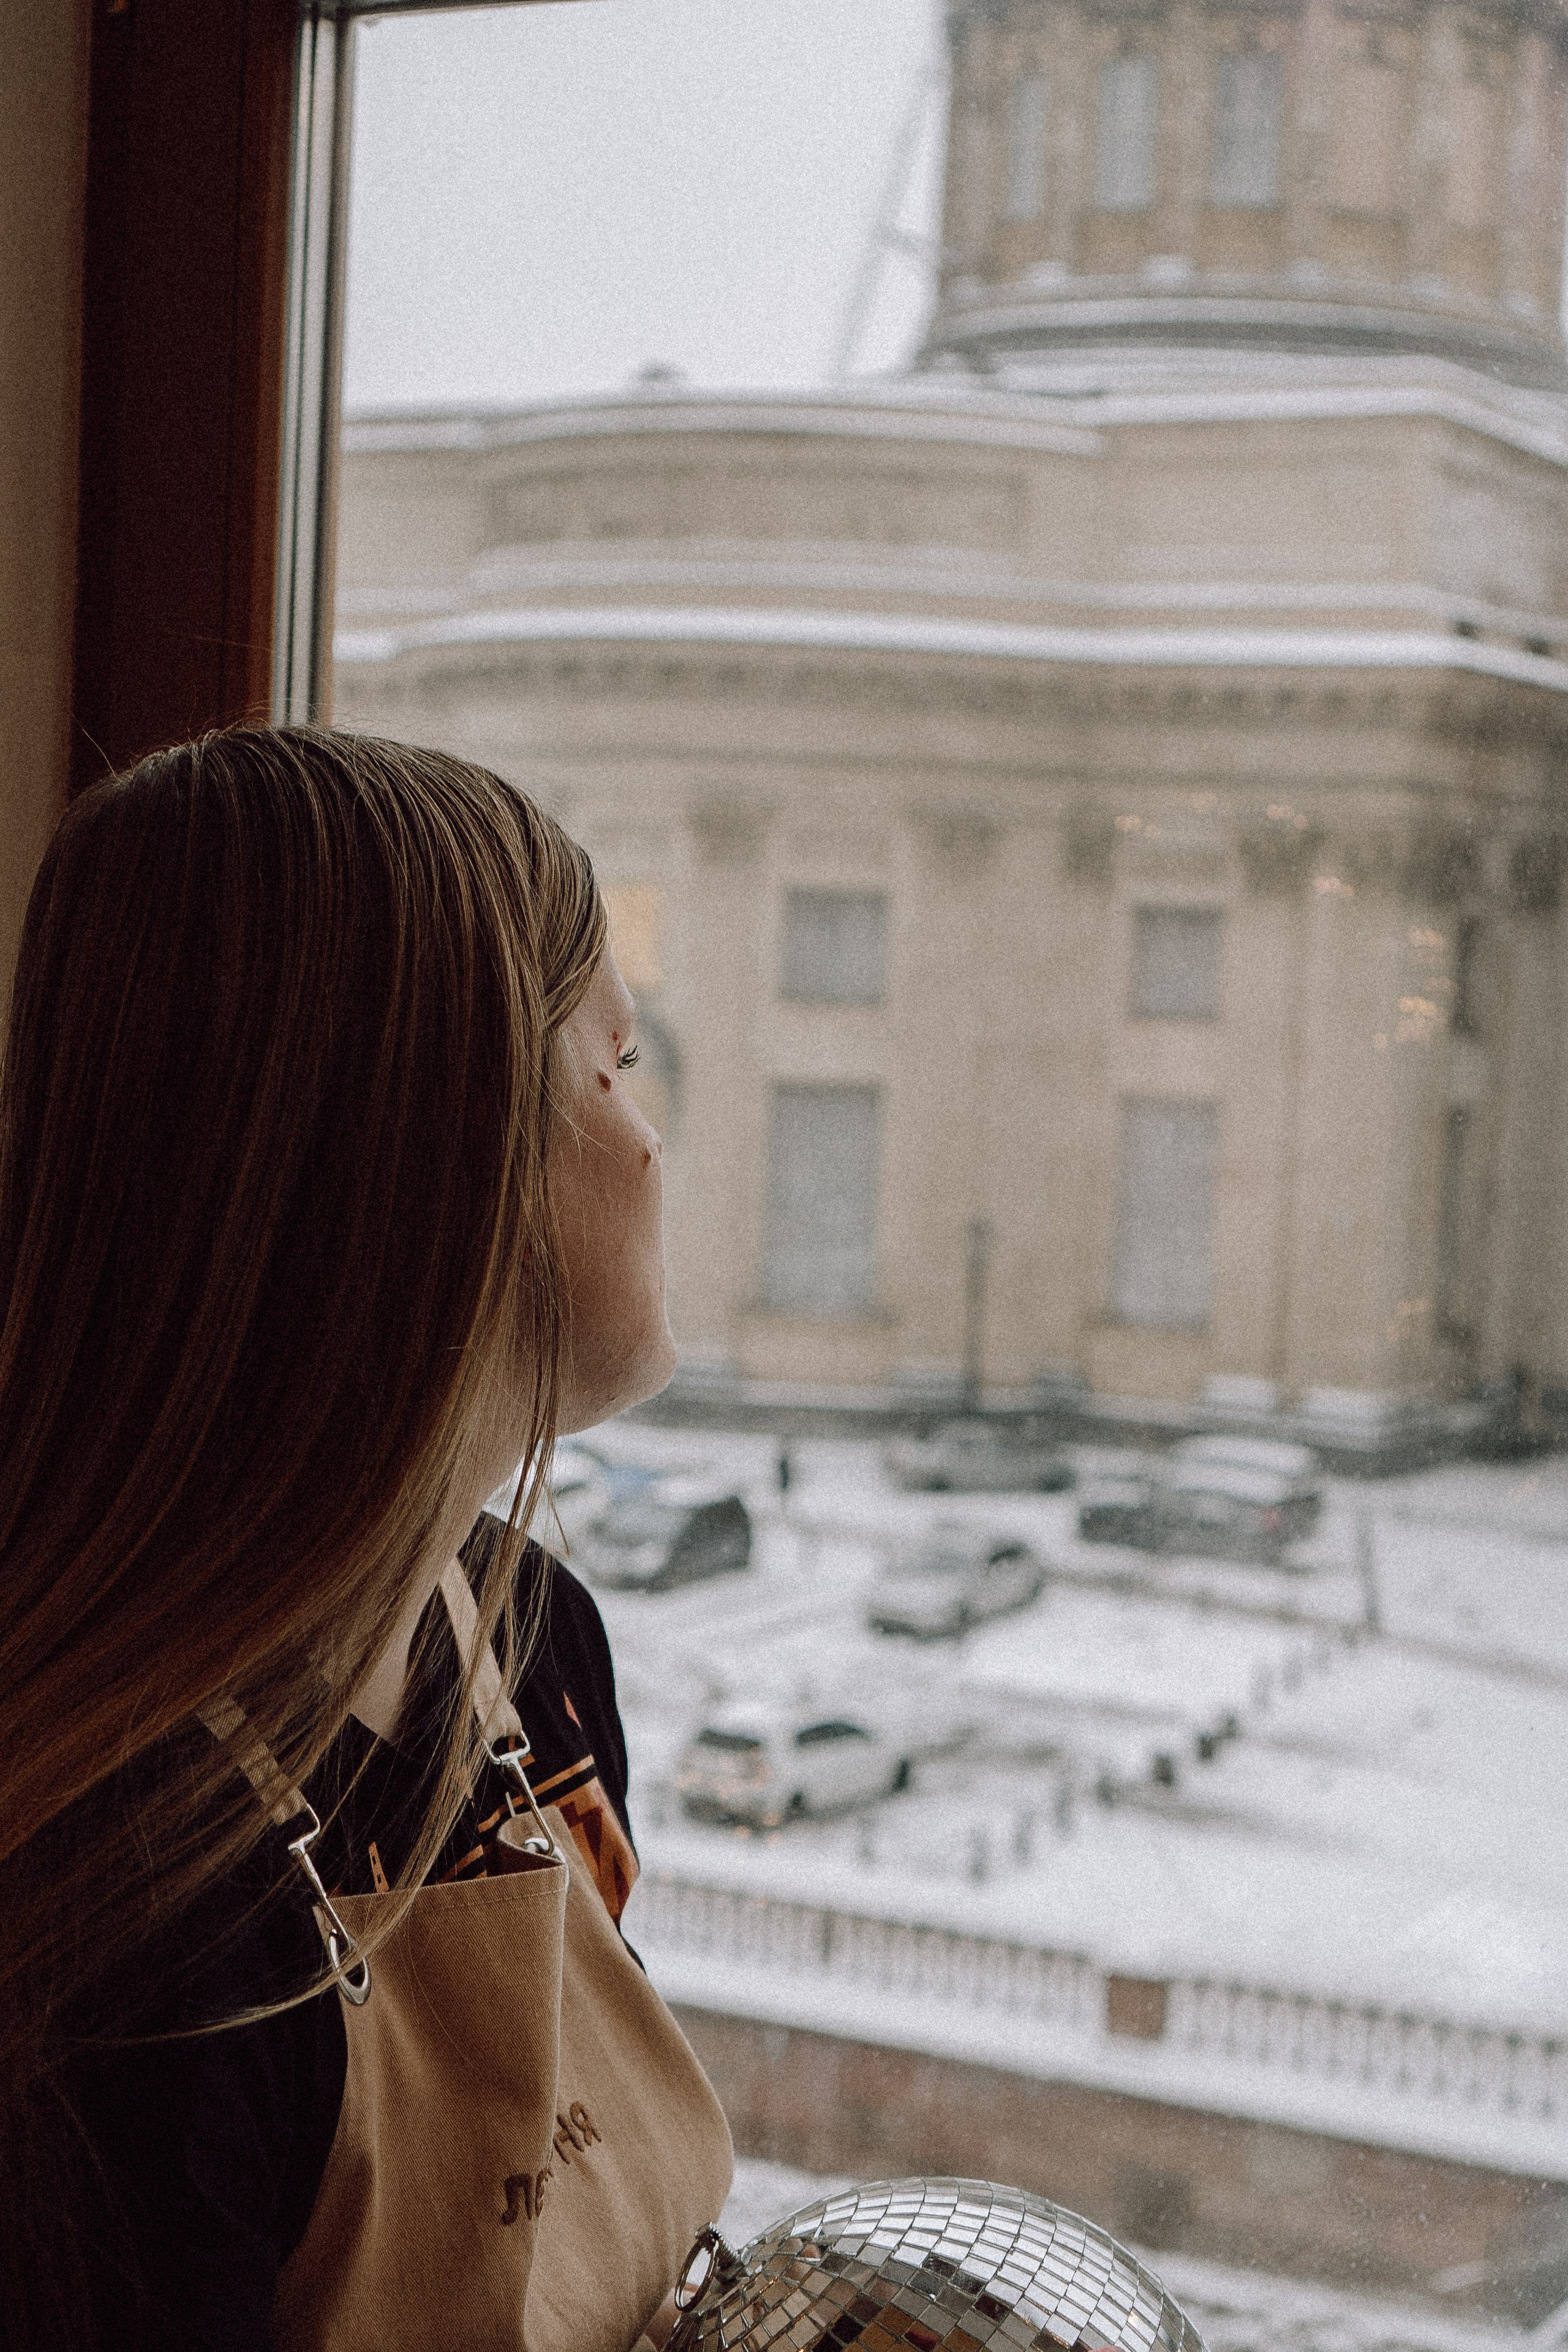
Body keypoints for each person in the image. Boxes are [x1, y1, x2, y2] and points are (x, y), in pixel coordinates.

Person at [0, 727, 732, 2350]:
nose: (651, 1140)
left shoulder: (528, 1641)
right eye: (612, 1071)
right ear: (427, 1166)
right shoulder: (118, 1958)